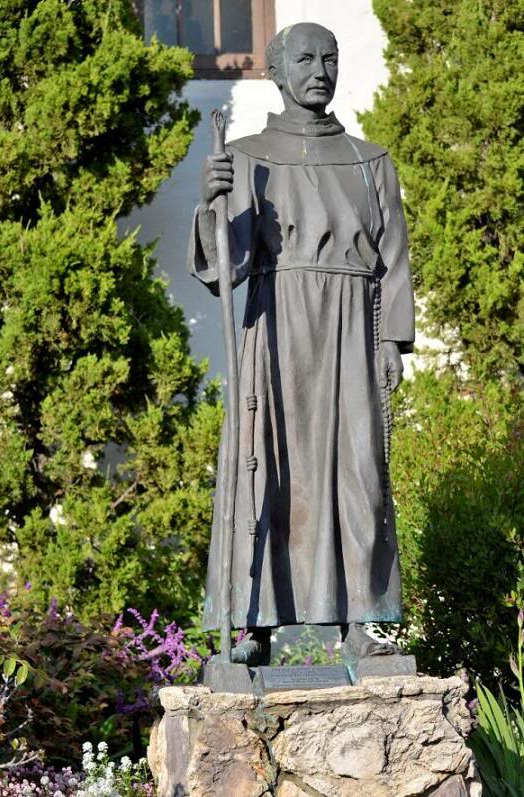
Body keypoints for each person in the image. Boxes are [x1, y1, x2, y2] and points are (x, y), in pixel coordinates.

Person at [188, 22, 415, 666]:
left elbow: (394, 258)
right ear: (278, 72)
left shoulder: (370, 161)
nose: (320, 70)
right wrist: (210, 205)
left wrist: (393, 341)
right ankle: (253, 623)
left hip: (354, 329)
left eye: (330, 58)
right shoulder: (248, 158)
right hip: (277, 325)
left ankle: (364, 622)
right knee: (266, 464)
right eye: (306, 59)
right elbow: (226, 266)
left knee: (359, 471)